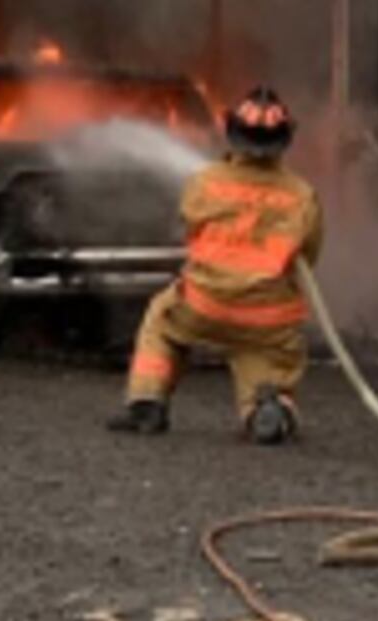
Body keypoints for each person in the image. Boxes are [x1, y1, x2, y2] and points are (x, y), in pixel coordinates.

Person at [107, 85, 321, 446]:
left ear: (232, 133)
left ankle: (148, 401)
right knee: (270, 367)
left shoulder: (204, 181)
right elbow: (308, 257)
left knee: (162, 321)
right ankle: (266, 409)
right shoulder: (302, 195)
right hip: (267, 320)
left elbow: (187, 224)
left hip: (202, 305)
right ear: (286, 139)